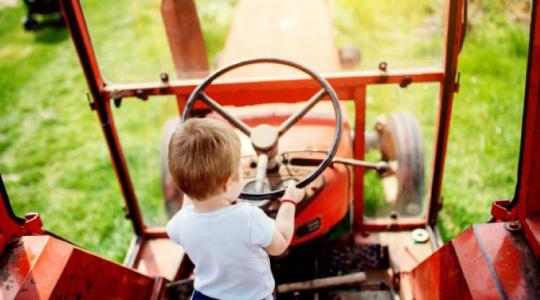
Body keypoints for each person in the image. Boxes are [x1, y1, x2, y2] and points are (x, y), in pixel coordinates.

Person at [166, 118, 305, 300]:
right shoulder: (250, 218)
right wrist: (289, 202)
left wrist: (193, 185)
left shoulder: (178, 225)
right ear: (228, 183)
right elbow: (280, 245)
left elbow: (189, 206)